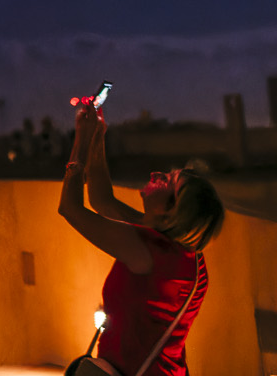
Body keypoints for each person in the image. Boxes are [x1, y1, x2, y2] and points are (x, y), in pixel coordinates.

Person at [59, 101, 224, 375]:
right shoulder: (172, 247)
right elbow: (102, 200)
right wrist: (98, 136)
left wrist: (81, 142)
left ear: (171, 211)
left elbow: (70, 208)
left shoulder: (152, 251)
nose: (155, 174)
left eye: (166, 181)